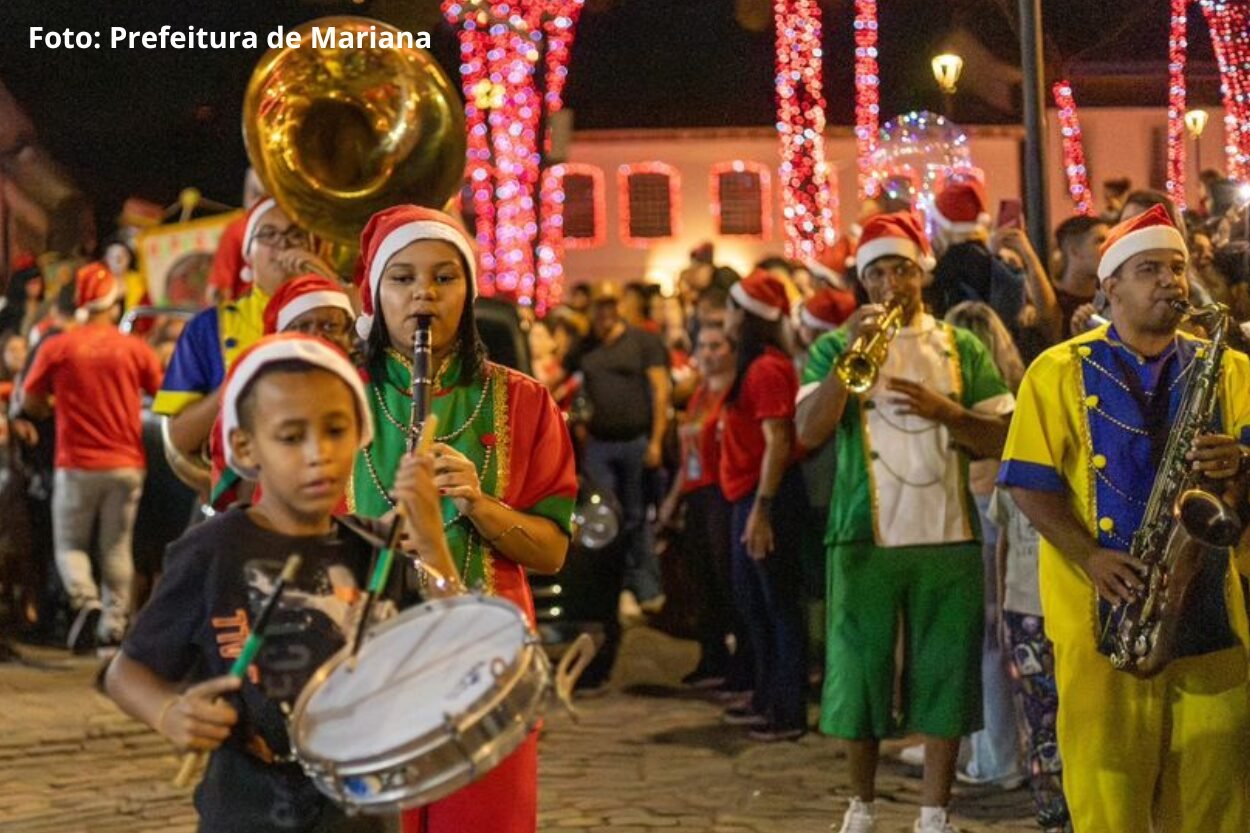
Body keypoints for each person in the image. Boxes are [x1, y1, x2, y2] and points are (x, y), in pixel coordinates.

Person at [105, 333, 454, 833]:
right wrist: (168, 713)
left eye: (336, 430)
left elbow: (452, 648)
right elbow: (126, 672)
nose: (318, 454)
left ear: (360, 431)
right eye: (291, 437)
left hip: (361, 818)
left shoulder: (377, 549)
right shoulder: (212, 551)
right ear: (246, 446)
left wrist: (431, 538)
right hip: (247, 811)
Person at [998, 204, 1250, 832]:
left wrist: (1240, 463)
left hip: (1212, 607)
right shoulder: (1054, 370)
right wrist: (1091, 557)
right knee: (1109, 793)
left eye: (1176, 267)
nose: (1170, 280)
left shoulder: (1234, 368)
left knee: (1217, 796)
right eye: (1148, 270)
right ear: (1109, 286)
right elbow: (1029, 484)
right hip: (1104, 611)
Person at [348, 205, 578, 833]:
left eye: (444, 278)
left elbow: (552, 552)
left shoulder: (524, 401)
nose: (423, 293)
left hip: (487, 665)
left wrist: (479, 505)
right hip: (365, 663)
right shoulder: (336, 398)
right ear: (374, 292)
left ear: (469, 293)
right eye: (402, 278)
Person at [794, 212, 1014, 833]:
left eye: (902, 269)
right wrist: (851, 357)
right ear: (864, 283)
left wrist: (947, 411)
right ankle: (860, 805)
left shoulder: (961, 346)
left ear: (922, 273)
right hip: (863, 534)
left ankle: (934, 813)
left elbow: (1001, 435)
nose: (891, 283)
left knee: (948, 669)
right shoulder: (834, 347)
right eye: (878, 273)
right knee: (859, 672)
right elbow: (808, 433)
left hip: (948, 533)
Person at [20, 263, 163, 652]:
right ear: (113, 303)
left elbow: (29, 400)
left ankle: (87, 602)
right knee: (117, 547)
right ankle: (113, 628)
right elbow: (163, 394)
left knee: (70, 546)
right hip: (127, 463)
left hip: (76, 464)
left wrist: (49, 407)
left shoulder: (58, 346)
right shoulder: (135, 348)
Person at [154, 197, 333, 496]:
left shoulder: (338, 319)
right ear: (248, 255)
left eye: (295, 235)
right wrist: (239, 384)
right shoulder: (208, 327)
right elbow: (179, 439)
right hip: (241, 502)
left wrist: (328, 288)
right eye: (268, 235)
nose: (283, 245)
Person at [718, 269, 808, 742]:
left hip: (764, 497)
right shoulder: (753, 367)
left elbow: (779, 439)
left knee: (778, 607)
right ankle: (767, 697)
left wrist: (763, 508)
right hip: (747, 495)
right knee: (756, 605)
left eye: (733, 309)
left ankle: (787, 711)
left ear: (749, 318)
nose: (725, 317)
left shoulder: (768, 368)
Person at [942, 302, 1027, 791]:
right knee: (998, 633)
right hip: (1007, 508)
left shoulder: (970, 391)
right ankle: (992, 748)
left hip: (978, 504)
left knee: (984, 637)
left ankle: (994, 755)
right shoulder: (1016, 388)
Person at [208, 274, 357, 510]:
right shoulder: (250, 400)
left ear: (350, 339)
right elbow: (238, 495)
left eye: (330, 326)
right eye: (301, 327)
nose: (317, 338)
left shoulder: (371, 392)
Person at [568, 281, 670, 620]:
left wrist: (656, 440)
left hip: (635, 441)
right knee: (606, 522)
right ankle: (615, 591)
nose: (605, 313)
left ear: (620, 307)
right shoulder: (586, 348)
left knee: (638, 517)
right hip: (600, 444)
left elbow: (660, 391)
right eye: (599, 306)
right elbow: (555, 379)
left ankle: (646, 588)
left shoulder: (642, 342)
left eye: (611, 305)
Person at [658, 322, 745, 691]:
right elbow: (687, 455)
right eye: (702, 346)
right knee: (702, 580)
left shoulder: (734, 394)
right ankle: (711, 658)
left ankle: (740, 665)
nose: (708, 353)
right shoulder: (699, 395)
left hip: (723, 496)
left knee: (728, 581)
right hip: (697, 495)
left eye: (716, 345)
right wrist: (673, 500)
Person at [1051, 216, 1109, 339]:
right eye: (1100, 240)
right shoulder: (1051, 301)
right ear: (1074, 251)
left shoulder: (1110, 300)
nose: (1109, 247)